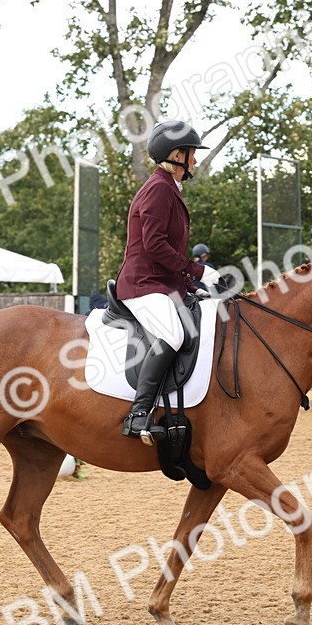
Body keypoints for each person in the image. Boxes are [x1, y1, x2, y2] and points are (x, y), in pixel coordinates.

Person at [116, 120, 221, 443]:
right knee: (173, 334)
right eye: (191, 154)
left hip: (163, 284)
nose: (194, 160)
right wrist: (199, 271)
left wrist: (193, 286)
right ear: (176, 155)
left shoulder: (169, 189)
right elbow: (154, 246)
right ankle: (137, 414)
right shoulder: (158, 189)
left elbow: (168, 250)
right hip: (142, 284)